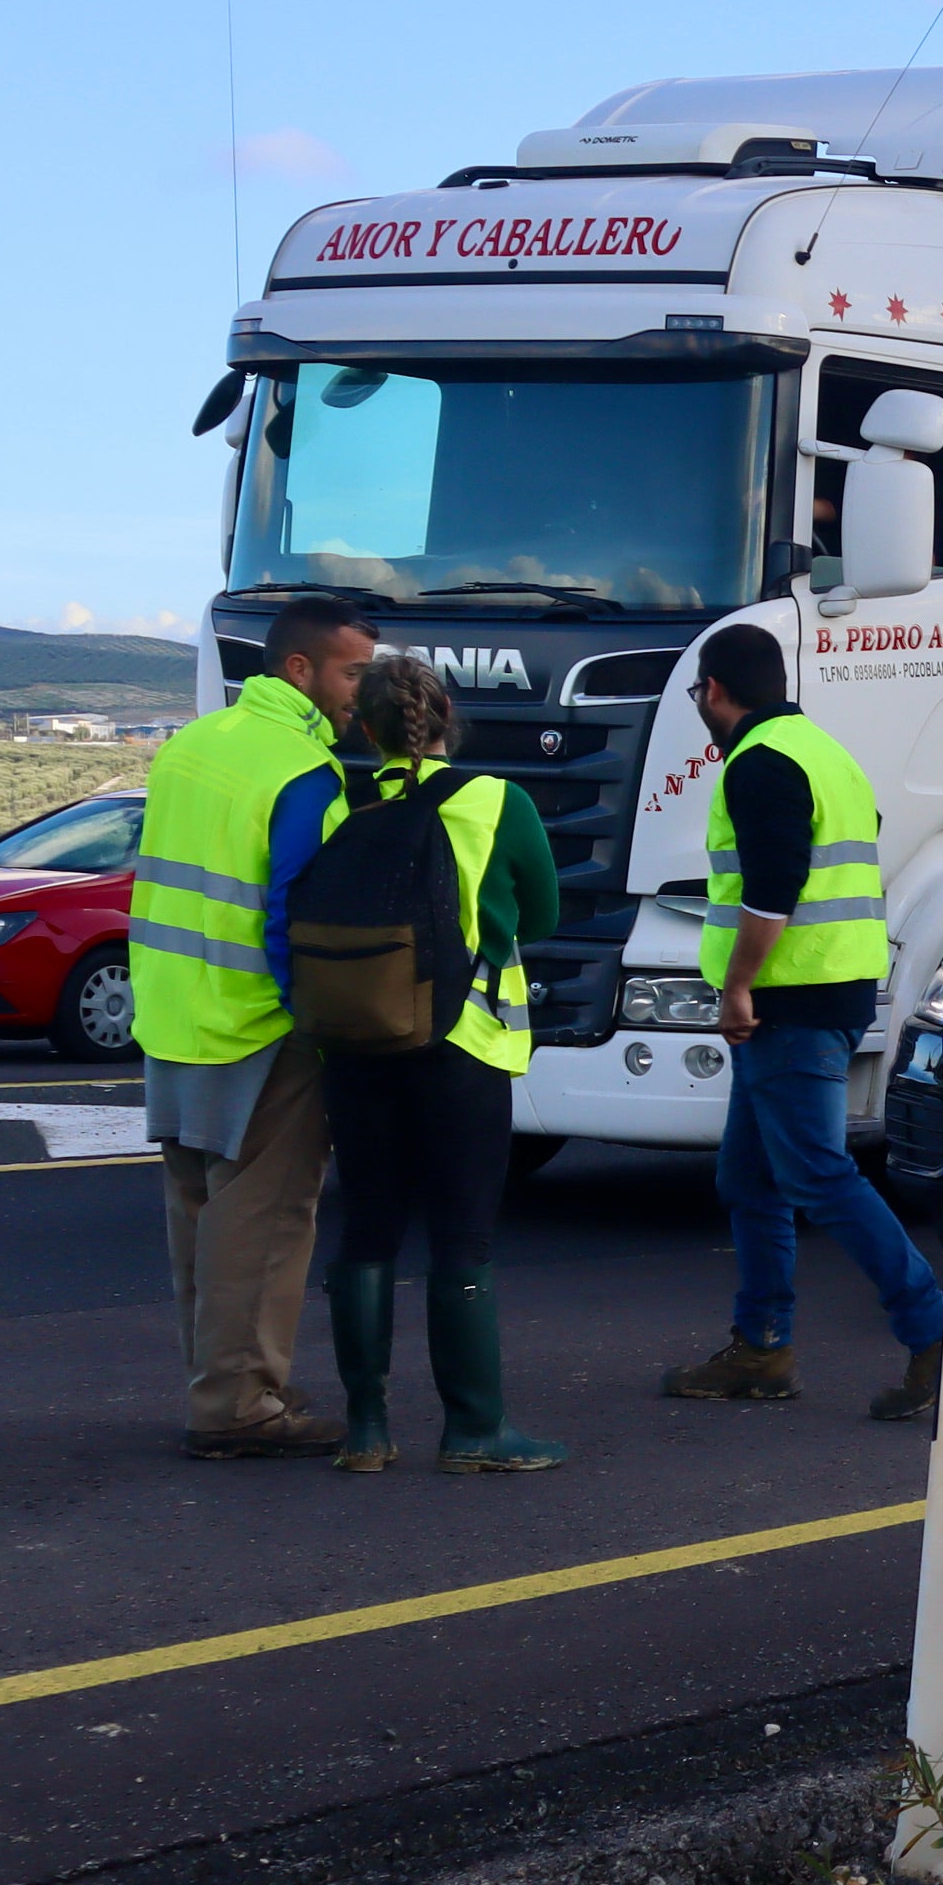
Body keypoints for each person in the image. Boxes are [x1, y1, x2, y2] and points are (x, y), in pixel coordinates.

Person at [659, 623, 943, 1417]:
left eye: (698, 693)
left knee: (817, 1172)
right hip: (830, 987)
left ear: (715, 691)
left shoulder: (760, 763)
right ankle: (762, 1349)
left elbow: (773, 888)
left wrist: (738, 986)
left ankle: (935, 1330)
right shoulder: (824, 751)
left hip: (790, 1000)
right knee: (750, 1177)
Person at [131, 594, 369, 1458]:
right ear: (300, 669)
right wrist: (315, 1016)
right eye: (353, 673)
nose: (362, 691)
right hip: (259, 1021)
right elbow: (295, 913)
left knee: (199, 1214)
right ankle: (237, 1405)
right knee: (263, 1221)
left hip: (171, 1009)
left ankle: (222, 1383)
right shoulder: (304, 771)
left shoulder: (190, 744)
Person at [319, 654, 567, 1474]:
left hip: (357, 1038)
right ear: (446, 717)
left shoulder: (343, 804)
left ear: (366, 727)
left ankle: (365, 1428)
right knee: (461, 1235)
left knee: (367, 1228)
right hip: (461, 1043)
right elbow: (542, 911)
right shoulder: (498, 800)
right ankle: (473, 1429)